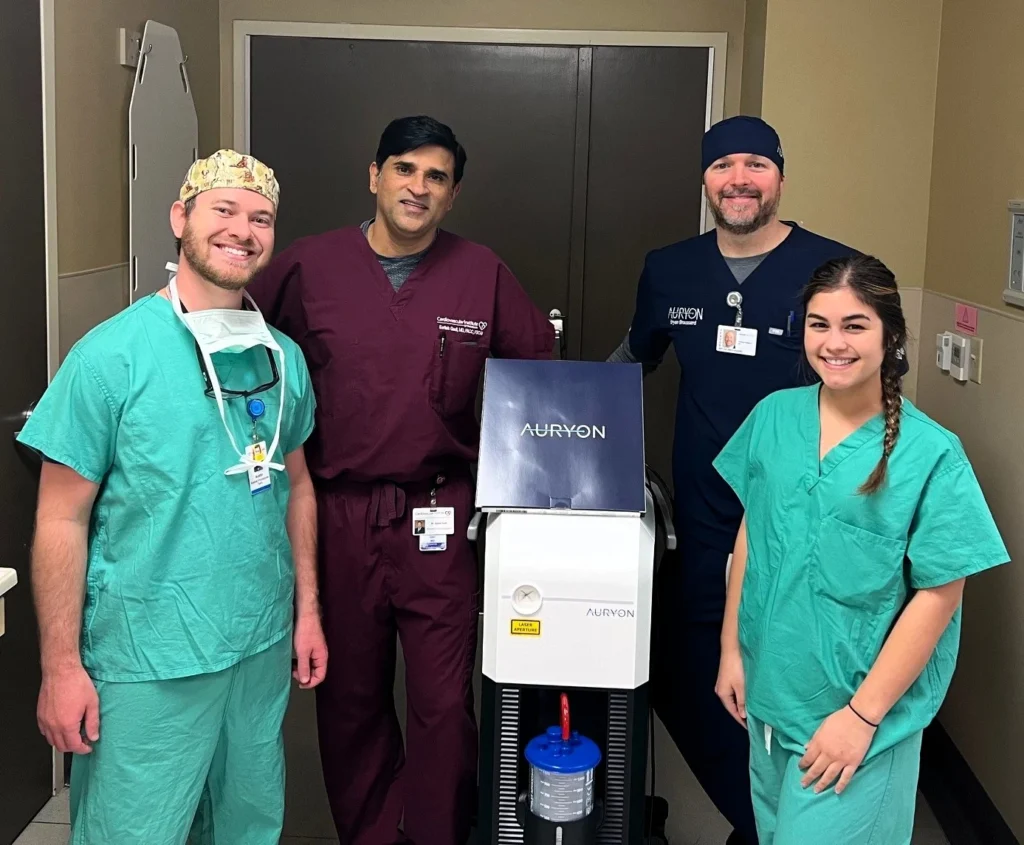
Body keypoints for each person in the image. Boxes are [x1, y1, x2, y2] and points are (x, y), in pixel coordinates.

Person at [248, 115, 555, 845]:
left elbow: (540, 376)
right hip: (339, 514)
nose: (419, 187)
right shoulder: (308, 266)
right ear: (375, 175)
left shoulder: (480, 272)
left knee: (445, 703)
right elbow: (248, 354)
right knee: (351, 700)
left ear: (452, 196)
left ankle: (437, 832)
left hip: (438, 512)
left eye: (437, 177)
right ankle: (374, 833)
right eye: (406, 169)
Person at [17, 149, 326, 845]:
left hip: (257, 644)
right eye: (224, 209)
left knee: (247, 824)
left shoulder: (282, 357)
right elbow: (59, 517)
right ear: (180, 218)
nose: (243, 229)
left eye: (261, 218)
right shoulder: (111, 356)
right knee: (137, 829)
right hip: (150, 658)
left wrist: (307, 612)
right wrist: (61, 667)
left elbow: (298, 486)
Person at [610, 115, 861, 844]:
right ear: (706, 180)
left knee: (795, 675)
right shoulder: (670, 268)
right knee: (695, 675)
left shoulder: (834, 268)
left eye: (756, 164)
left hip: (805, 514)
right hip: (708, 511)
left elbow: (869, 378)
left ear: (779, 176)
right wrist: (564, 421)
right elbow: (634, 358)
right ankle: (756, 817)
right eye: (724, 166)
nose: (740, 179)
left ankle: (789, 818)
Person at [712, 254, 1008, 843]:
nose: (834, 343)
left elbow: (942, 592)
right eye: (819, 324)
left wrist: (861, 717)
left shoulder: (931, 454)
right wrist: (731, 650)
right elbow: (755, 531)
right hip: (773, 699)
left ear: (889, 334)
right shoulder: (774, 417)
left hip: (859, 724)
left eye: (855, 325)